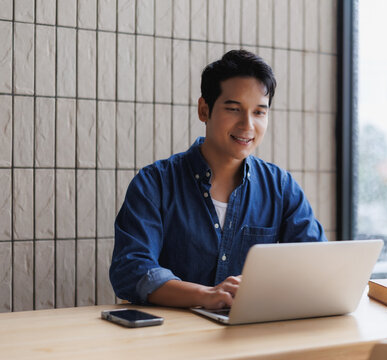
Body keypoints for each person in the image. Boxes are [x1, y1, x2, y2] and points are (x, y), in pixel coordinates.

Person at [110, 50, 326, 310]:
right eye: (234, 109)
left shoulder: (280, 186)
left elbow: (317, 263)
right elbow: (132, 270)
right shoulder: (155, 183)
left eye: (259, 112)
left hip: (253, 335)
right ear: (204, 110)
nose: (248, 125)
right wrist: (207, 295)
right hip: (172, 341)